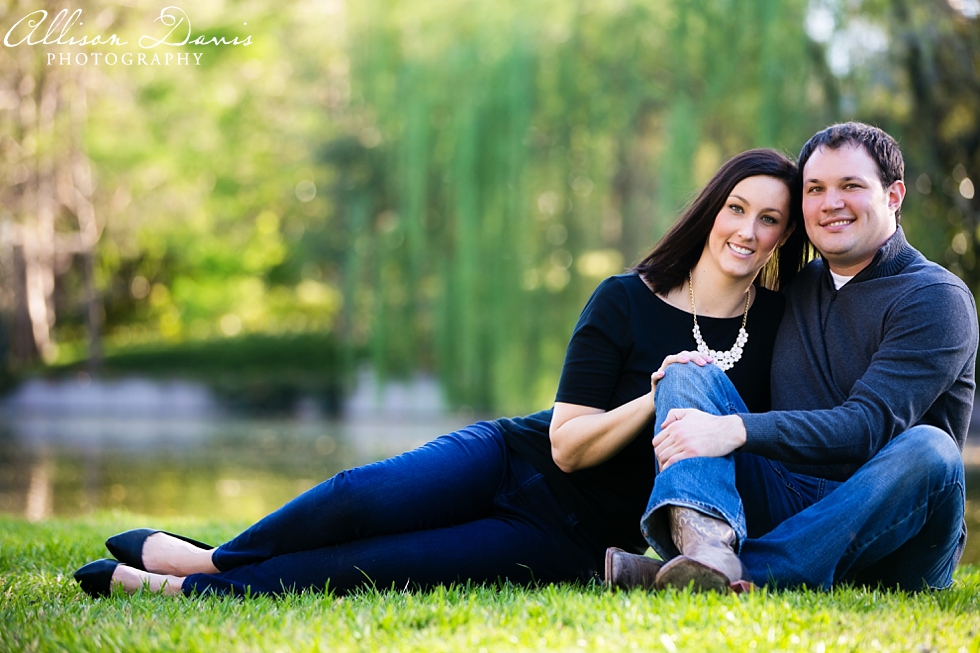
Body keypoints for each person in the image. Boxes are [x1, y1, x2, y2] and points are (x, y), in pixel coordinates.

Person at [73, 148, 806, 599]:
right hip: (509, 455)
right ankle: (213, 558)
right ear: (712, 210)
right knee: (355, 494)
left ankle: (182, 590)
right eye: (737, 207)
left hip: (570, 535)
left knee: (378, 564)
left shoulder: (780, 325)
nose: (747, 230)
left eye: (770, 219)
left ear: (783, 236)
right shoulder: (623, 299)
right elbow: (567, 444)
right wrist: (652, 399)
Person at [608, 122, 978, 593]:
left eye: (851, 186)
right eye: (815, 188)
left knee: (933, 450)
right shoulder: (799, 287)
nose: (831, 203)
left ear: (894, 196)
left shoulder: (935, 298)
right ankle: (706, 552)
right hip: (788, 498)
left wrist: (733, 429)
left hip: (895, 530)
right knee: (687, 372)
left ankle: (736, 571)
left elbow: (865, 427)